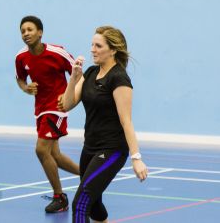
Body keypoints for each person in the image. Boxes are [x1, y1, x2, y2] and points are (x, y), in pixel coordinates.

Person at [60, 26, 148, 223]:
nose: (92, 49)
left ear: (113, 50)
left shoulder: (119, 78)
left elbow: (126, 121)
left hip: (112, 150)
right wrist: (73, 79)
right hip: (89, 148)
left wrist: (136, 157)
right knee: (95, 206)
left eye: (98, 46)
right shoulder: (90, 72)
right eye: (92, 45)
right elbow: (66, 105)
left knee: (81, 203)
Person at [14, 15, 80, 212]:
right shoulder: (21, 57)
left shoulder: (57, 52)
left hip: (57, 107)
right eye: (23, 31)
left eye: (30, 29)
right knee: (55, 155)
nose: (26, 34)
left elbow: (78, 74)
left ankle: (59, 197)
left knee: (41, 150)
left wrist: (69, 97)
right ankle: (89, 177)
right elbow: (20, 79)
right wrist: (26, 88)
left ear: (40, 32)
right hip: (40, 108)